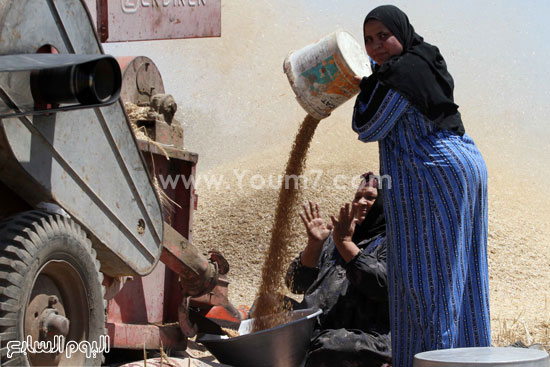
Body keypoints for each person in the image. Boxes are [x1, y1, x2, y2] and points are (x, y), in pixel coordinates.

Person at [352, 5, 491, 367]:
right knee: (461, 279)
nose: (377, 46)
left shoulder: (402, 73)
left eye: (384, 36)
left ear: (402, 32)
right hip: (459, 166)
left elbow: (367, 126)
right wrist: (372, 79)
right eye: (369, 40)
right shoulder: (424, 58)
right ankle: (466, 358)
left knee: (428, 284)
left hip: (434, 179)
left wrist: (364, 84)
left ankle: (436, 361)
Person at [285, 173, 391, 367]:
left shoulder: (391, 241)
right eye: (357, 197)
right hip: (312, 327)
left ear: (384, 202)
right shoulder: (335, 237)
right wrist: (314, 245)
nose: (361, 202)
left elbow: (381, 285)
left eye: (369, 197)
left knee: (328, 346)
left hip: (362, 335)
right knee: (266, 304)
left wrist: (346, 245)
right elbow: (295, 284)